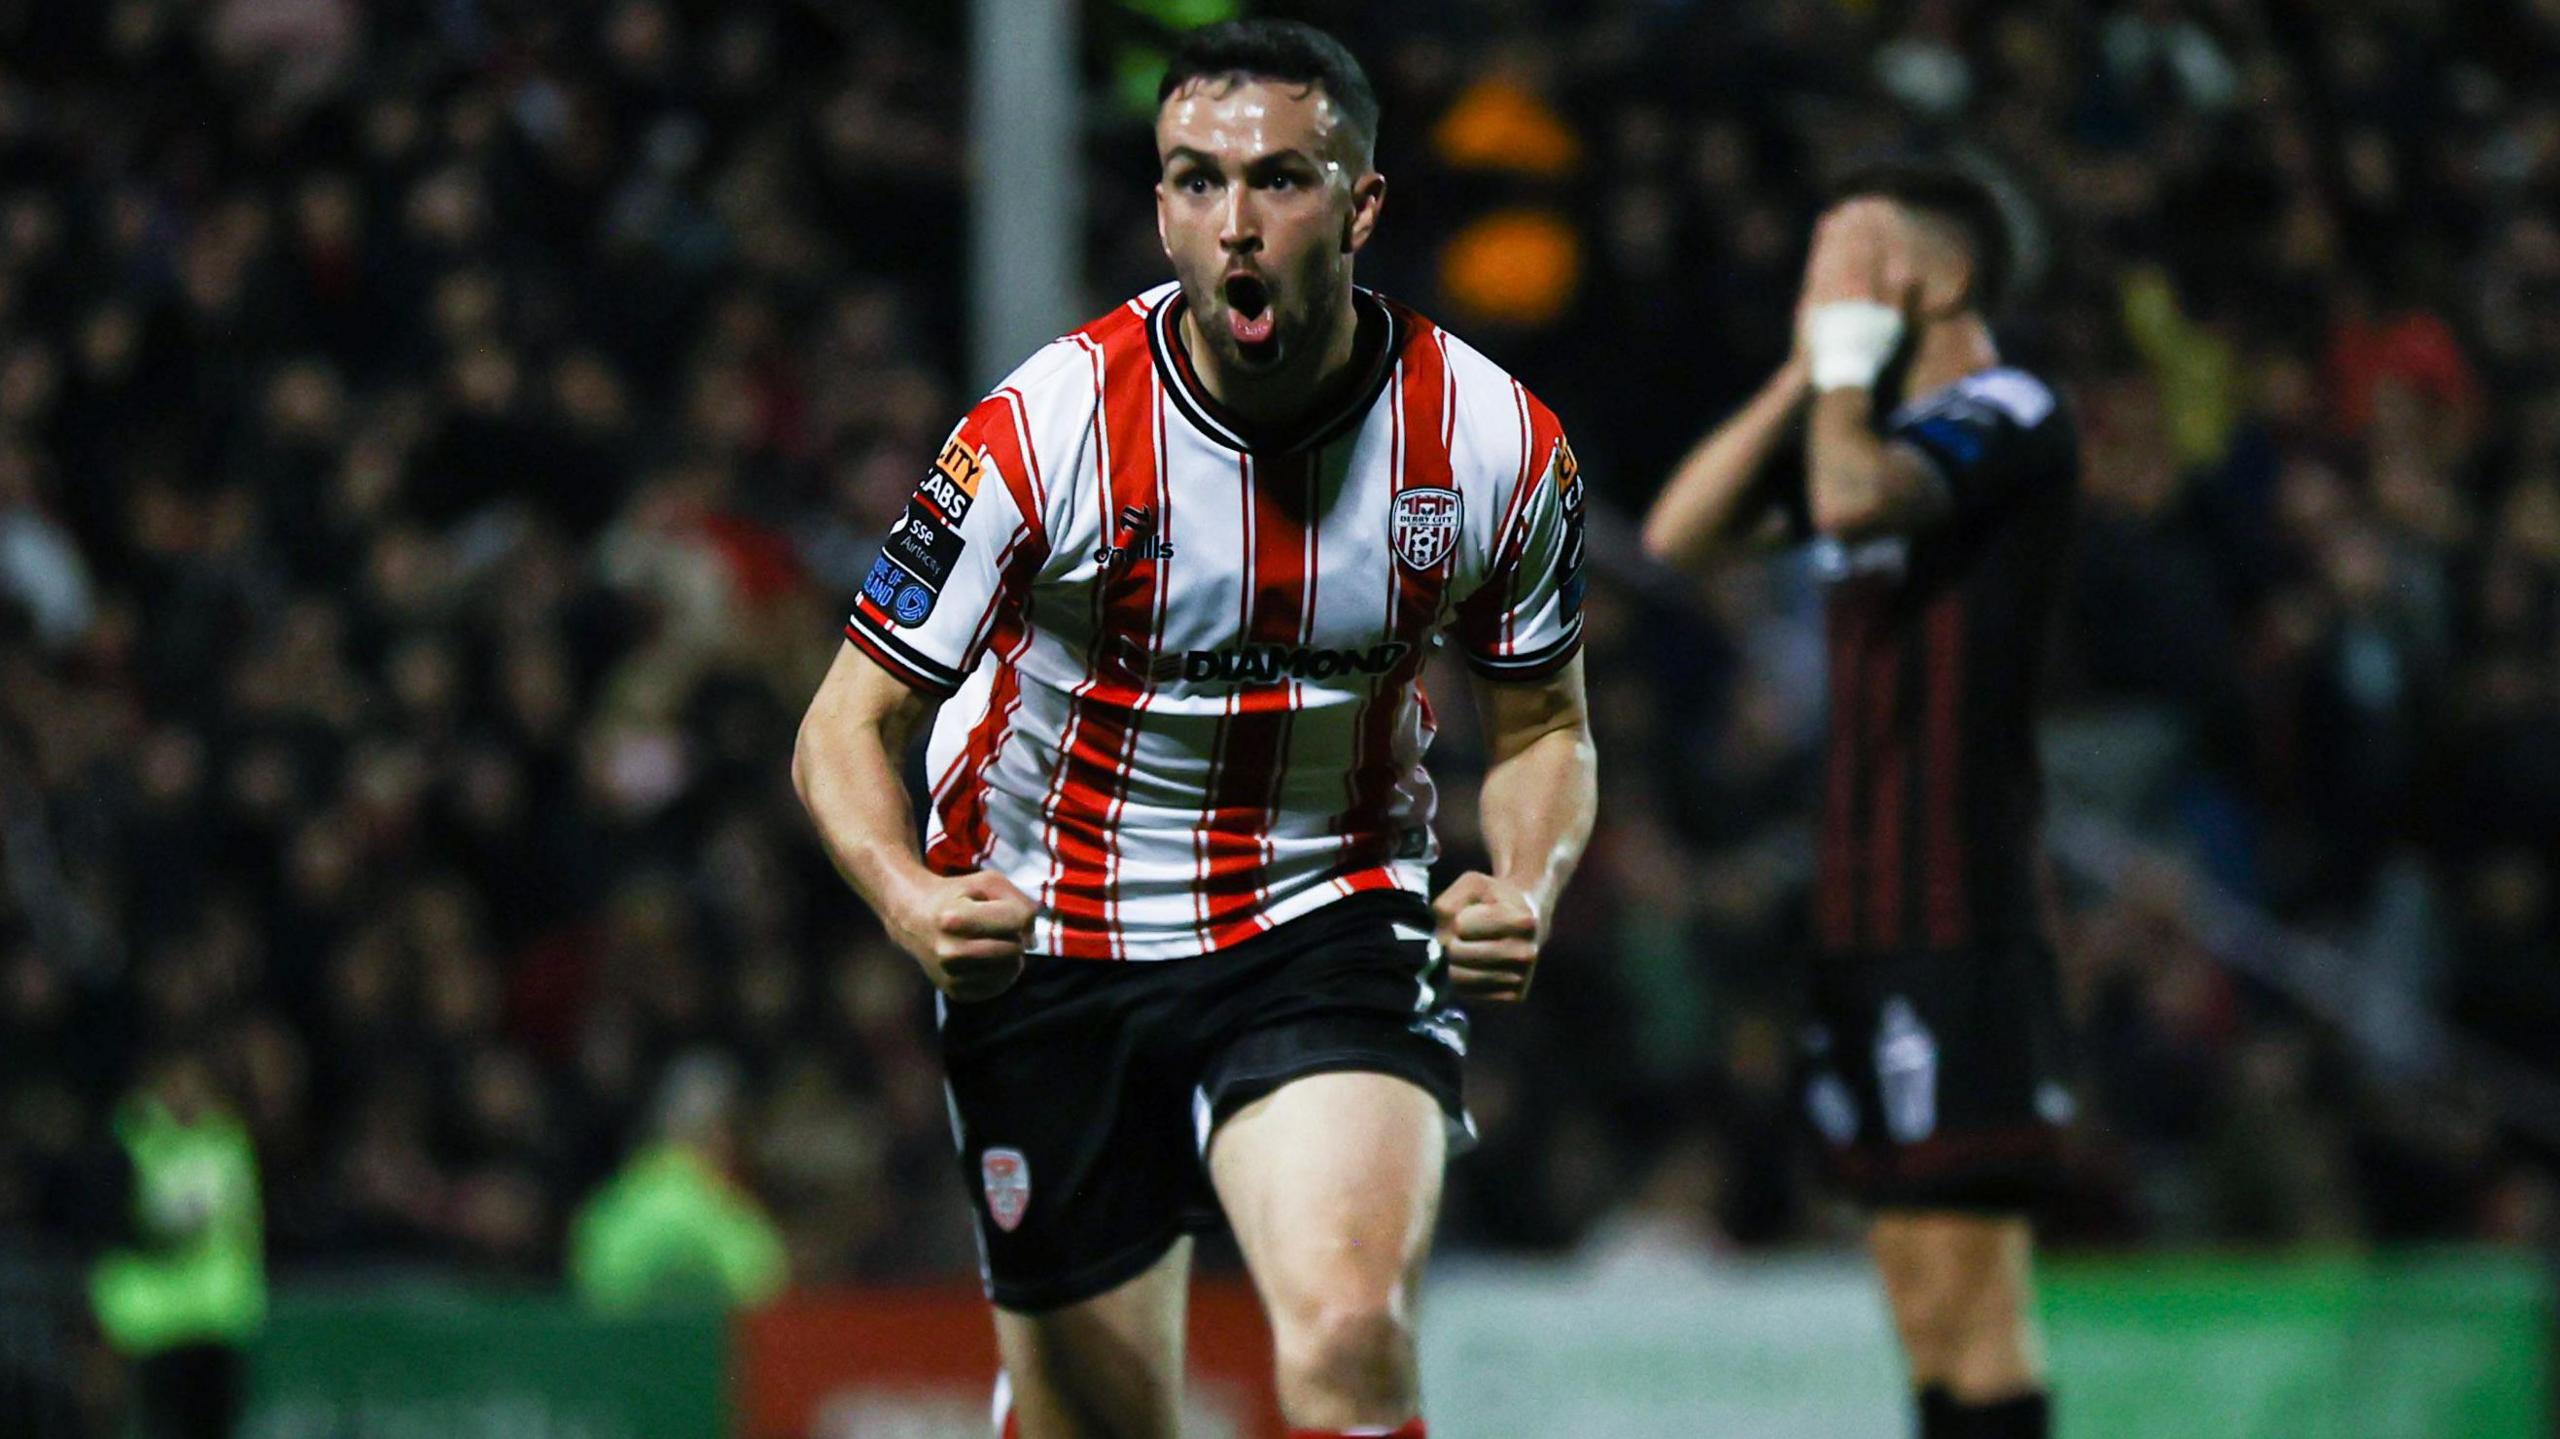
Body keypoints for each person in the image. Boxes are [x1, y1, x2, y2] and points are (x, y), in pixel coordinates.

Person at [793, 19, 1597, 1438]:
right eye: (1198, 181)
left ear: (1361, 206)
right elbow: (843, 724)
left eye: (1280, 180)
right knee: (1099, 1419)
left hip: (1324, 908)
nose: (1236, 226)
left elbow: (1544, 727)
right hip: (1054, 932)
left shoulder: (1491, 442)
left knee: (1352, 1333)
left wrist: (1523, 882)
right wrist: (911, 899)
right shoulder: (1041, 432)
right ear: (1161, 206)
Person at [1641, 162, 2076, 1439]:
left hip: (1961, 916)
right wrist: (1801, 374)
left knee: (1973, 1299)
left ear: (1930, 276)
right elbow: (1680, 532)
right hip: (1864, 914)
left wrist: (1834, 373)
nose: (1815, 276)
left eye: (1845, 252)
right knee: (1916, 1306)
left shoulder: (2008, 410)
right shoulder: (1860, 426)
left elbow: (1844, 498)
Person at [87, 1051, 265, 1439]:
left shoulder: (228, 1137)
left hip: (216, 1319)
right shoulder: (129, 1138)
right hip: (147, 1324)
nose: (185, 1094)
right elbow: (107, 1219)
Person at [569, 1051, 789, 1314]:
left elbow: (593, 1289)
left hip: (619, 1352)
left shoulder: (608, 1213)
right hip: (715, 1352)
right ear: (722, 1135)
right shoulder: (731, 1220)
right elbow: (764, 1287)